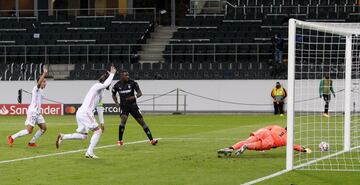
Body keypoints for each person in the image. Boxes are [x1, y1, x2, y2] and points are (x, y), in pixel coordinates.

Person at [55, 66, 116, 158]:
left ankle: (62, 136)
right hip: (85, 112)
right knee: (98, 131)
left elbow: (100, 108)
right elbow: (105, 84)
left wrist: (102, 122)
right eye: (109, 82)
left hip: (81, 112)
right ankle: (89, 152)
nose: (110, 85)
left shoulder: (101, 92)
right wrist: (112, 74)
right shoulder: (97, 86)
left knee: (83, 135)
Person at [112, 70, 158, 146]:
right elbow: (113, 95)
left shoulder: (133, 83)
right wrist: (116, 103)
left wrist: (134, 97)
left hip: (133, 106)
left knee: (142, 122)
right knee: (123, 120)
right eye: (126, 75)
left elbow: (140, 93)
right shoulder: (117, 85)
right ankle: (120, 141)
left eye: (128, 75)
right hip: (124, 107)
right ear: (121, 76)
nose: (127, 76)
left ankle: (151, 140)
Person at [8, 67, 48, 147]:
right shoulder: (36, 88)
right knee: (29, 130)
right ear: (39, 82)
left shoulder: (41, 91)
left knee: (44, 128)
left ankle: (32, 142)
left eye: (45, 82)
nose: (45, 83)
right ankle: (12, 137)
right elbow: (39, 84)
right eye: (44, 82)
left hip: (38, 113)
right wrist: (44, 73)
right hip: (33, 112)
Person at [217, 125, 312, 157]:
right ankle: (247, 147)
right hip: (270, 141)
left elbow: (267, 127)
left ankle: (231, 148)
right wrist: (304, 150)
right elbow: (294, 146)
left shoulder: (277, 126)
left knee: (246, 141)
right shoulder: (287, 139)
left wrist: (259, 134)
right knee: (257, 146)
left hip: (263, 132)